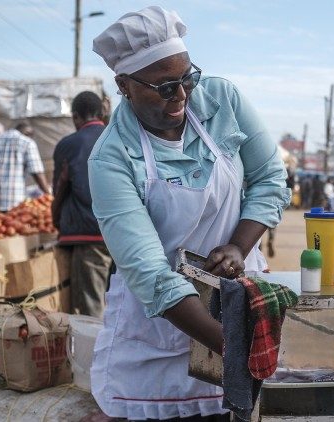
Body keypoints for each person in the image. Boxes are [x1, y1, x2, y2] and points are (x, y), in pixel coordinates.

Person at [88, 6, 290, 421]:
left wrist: (238, 245)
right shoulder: (112, 158)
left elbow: (270, 178)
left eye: (187, 78)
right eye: (163, 87)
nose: (181, 95)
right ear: (124, 85)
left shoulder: (220, 99)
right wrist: (234, 344)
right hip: (161, 330)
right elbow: (149, 272)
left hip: (238, 302)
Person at [52, 91, 113, 317]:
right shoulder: (119, 136)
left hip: (89, 234)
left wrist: (56, 220)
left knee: (90, 304)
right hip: (126, 230)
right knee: (120, 299)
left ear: (76, 117)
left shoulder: (68, 144)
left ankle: (93, 351)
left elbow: (59, 189)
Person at [0, 122, 51, 211]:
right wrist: (48, 195)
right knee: (11, 224)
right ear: (28, 134)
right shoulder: (27, 143)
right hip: (13, 202)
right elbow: (37, 172)